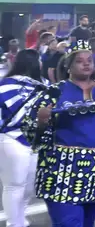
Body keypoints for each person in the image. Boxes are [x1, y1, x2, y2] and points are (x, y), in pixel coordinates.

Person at [26, 40, 95, 227]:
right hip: (60, 173)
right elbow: (33, 138)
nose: (86, 64)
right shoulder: (54, 92)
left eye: (90, 60)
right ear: (68, 66)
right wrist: (41, 122)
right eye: (80, 61)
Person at [0, 49, 42, 227]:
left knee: (30, 185)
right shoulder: (5, 85)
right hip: (11, 138)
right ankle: (14, 223)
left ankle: (19, 216)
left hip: (36, 141)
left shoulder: (44, 84)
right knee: (14, 184)